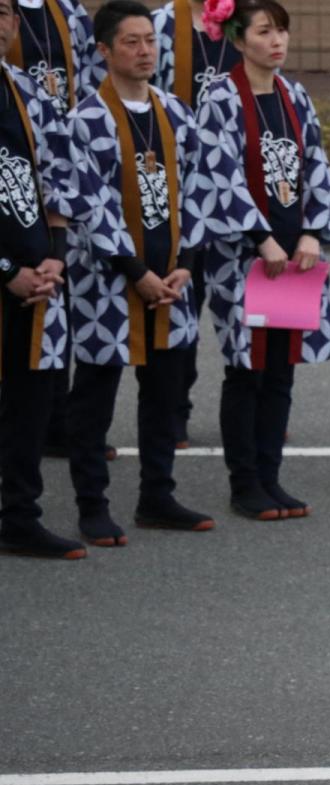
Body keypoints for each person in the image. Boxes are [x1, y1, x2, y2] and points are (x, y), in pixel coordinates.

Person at [59, 0, 260, 544]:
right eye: (131, 42)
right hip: (109, 285)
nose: (145, 50)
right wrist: (135, 270)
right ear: (103, 51)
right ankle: (91, 504)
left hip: (172, 282)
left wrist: (184, 267)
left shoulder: (175, 113)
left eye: (150, 40)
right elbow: (90, 207)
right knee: (95, 396)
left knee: (164, 393)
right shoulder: (84, 121)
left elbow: (198, 193)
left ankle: (157, 495)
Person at [195, 0, 330, 520]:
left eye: (282, 30)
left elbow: (316, 165)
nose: (277, 40)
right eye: (265, 31)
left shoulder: (294, 95)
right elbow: (219, 175)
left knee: (281, 368)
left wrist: (311, 232)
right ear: (239, 40)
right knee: (247, 370)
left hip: (294, 255)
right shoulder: (219, 96)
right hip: (246, 257)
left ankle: (271, 476)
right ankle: (245, 484)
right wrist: (262, 239)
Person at [0, 0, 88, 558]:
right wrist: (7, 271)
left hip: (38, 273)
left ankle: (18, 515)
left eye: (6, 11)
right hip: (9, 272)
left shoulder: (25, 89)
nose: (1, 20)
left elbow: (57, 174)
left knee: (29, 403)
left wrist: (55, 255)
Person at [7, 0, 107, 462]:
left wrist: (56, 250)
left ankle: (54, 427)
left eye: (5, 13)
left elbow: (89, 81)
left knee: (45, 352)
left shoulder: (67, 12)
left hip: (42, 237)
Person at [152, 0, 243, 448]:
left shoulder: (246, 23)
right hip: (180, 191)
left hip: (237, 196)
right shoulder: (158, 26)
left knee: (246, 310)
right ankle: (174, 412)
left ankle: (253, 404)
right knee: (183, 308)